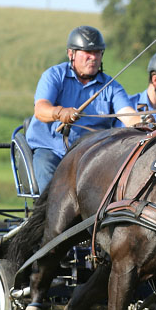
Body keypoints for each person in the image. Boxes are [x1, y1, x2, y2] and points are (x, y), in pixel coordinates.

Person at [27, 25, 138, 192]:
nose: (93, 57)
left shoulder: (111, 86)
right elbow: (40, 110)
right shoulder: (54, 76)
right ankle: (47, 216)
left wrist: (144, 122)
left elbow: (128, 116)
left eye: (97, 52)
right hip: (51, 150)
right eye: (87, 53)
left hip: (90, 155)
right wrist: (60, 113)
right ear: (71, 54)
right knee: (46, 172)